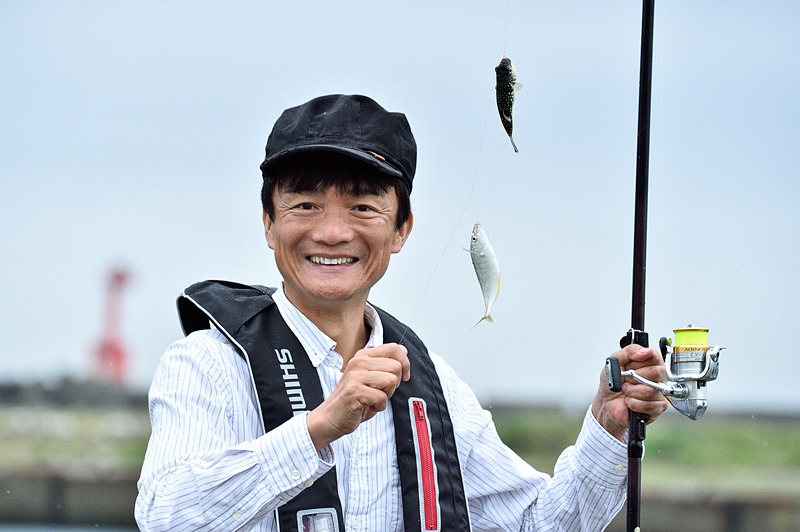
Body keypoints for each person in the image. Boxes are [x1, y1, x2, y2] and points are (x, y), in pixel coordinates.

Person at [135, 94, 669, 531]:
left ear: (401, 230)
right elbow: (163, 517)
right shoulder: (205, 364)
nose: (332, 232)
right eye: (305, 205)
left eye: (363, 207)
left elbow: (539, 524)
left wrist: (608, 427)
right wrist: (318, 427)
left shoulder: (431, 385)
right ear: (269, 224)